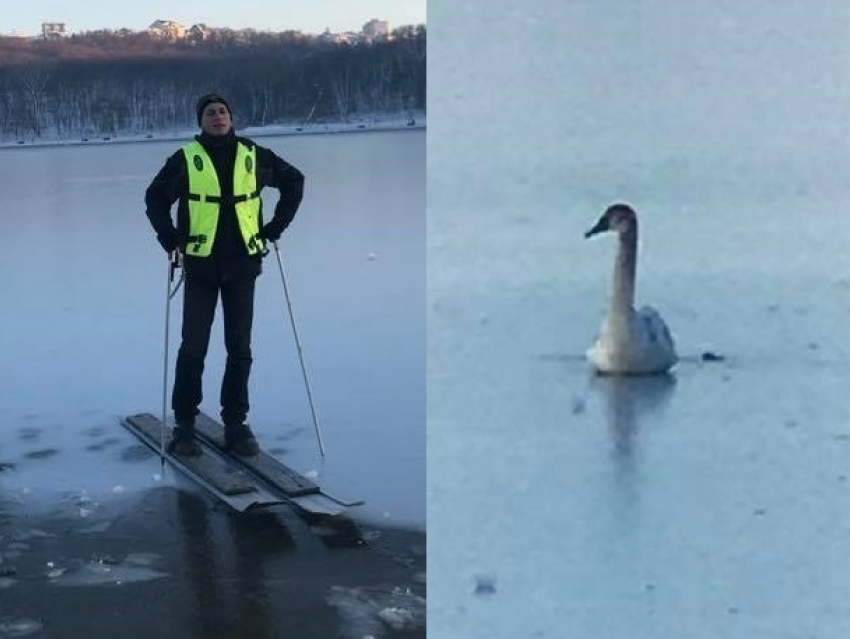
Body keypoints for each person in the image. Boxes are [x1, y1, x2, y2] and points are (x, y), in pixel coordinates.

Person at [145, 93, 305, 457]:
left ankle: (236, 423)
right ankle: (185, 424)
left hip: (242, 266)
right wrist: (169, 239)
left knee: (240, 348)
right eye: (209, 113)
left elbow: (295, 182)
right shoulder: (186, 159)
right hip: (200, 265)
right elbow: (155, 198)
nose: (217, 117)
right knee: (193, 348)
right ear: (200, 121)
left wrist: (275, 227)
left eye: (222, 112)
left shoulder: (253, 156)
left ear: (231, 118)